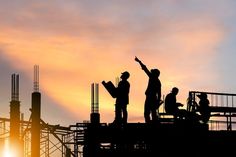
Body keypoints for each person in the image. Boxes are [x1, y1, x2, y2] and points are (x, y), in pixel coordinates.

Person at [135, 56, 162, 123]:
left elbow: (145, 69)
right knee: (152, 112)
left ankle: (149, 124)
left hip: (150, 98)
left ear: (155, 74)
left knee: (147, 112)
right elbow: (159, 93)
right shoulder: (157, 81)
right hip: (153, 98)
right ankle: (152, 124)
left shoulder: (153, 78)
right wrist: (158, 101)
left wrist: (139, 61)